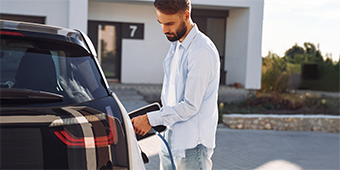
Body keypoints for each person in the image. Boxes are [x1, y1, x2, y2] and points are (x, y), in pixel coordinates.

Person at [131, 0, 220, 169]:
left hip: (192, 145)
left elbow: (190, 105)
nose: (164, 29)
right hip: (169, 135)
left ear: (186, 15)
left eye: (170, 23)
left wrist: (150, 119)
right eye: (161, 23)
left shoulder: (201, 51)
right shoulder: (176, 46)